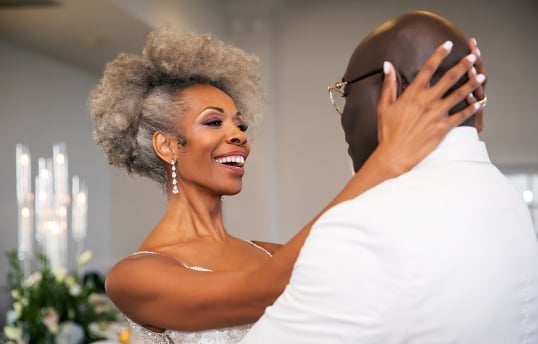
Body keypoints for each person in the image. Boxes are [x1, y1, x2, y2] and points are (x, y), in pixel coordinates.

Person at [90, 24, 486, 343]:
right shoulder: (133, 277)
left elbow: (383, 256)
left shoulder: (269, 255)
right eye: (214, 122)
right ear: (166, 145)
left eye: (240, 124)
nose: (239, 135)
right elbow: (260, 292)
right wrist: (387, 158)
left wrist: (463, 129)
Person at [240, 10, 538, 344]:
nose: (343, 116)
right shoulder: (506, 200)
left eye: (345, 93)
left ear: (391, 88)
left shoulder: (365, 228)